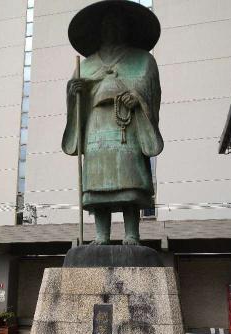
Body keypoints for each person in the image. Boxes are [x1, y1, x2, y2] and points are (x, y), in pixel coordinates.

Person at [62, 0, 163, 245]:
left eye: (119, 24)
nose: (113, 28)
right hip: (97, 127)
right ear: (99, 30)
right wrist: (74, 92)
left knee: (130, 181)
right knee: (98, 185)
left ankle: (132, 234)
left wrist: (137, 96)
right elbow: (77, 101)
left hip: (127, 128)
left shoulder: (143, 60)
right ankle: (100, 236)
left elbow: (153, 91)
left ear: (128, 28)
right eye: (107, 24)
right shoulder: (85, 65)